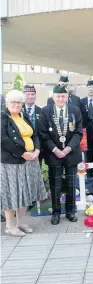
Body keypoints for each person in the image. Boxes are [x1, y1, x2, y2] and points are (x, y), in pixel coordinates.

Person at [1, 90, 47, 236]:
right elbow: (3, 139)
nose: (15, 105)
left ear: (22, 103)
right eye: (12, 102)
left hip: (29, 160)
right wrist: (22, 153)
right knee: (11, 193)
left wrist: (37, 150)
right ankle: (9, 226)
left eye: (18, 102)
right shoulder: (3, 117)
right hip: (12, 162)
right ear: (7, 103)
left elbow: (34, 134)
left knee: (24, 192)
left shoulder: (23, 115)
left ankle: (21, 222)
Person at [39, 85, 83, 225]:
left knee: (71, 184)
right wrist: (55, 150)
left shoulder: (75, 110)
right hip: (53, 154)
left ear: (67, 97)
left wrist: (69, 148)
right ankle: (56, 212)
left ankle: (71, 211)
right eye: (57, 96)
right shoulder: (45, 111)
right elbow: (43, 134)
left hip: (71, 153)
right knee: (55, 185)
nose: (60, 99)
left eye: (63, 96)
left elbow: (78, 132)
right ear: (53, 97)